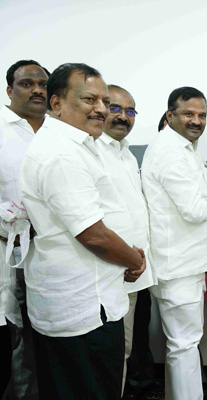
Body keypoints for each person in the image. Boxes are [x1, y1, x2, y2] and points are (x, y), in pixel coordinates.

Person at [20, 63, 146, 399]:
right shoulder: (62, 153)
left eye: (105, 101)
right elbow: (93, 234)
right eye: (90, 99)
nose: (102, 109)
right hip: (82, 308)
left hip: (93, 297)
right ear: (57, 103)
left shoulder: (77, 144)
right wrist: (134, 260)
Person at [142, 86, 207, 400]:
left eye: (201, 115)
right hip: (178, 265)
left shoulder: (187, 148)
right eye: (188, 114)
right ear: (170, 115)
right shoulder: (169, 151)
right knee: (184, 344)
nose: (196, 121)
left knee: (183, 344)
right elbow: (195, 210)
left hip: (187, 262)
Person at [96, 84, 156, 395]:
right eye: (115, 108)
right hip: (109, 269)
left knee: (124, 349)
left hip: (132, 271)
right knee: (111, 354)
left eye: (130, 111)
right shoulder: (92, 151)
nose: (123, 117)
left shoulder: (126, 154)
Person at [0, 59, 49, 400]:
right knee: (16, 333)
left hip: (53, 249)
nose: (37, 90)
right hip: (9, 249)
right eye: (27, 84)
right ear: (9, 90)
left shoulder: (58, 131)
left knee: (48, 330)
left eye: (43, 84)